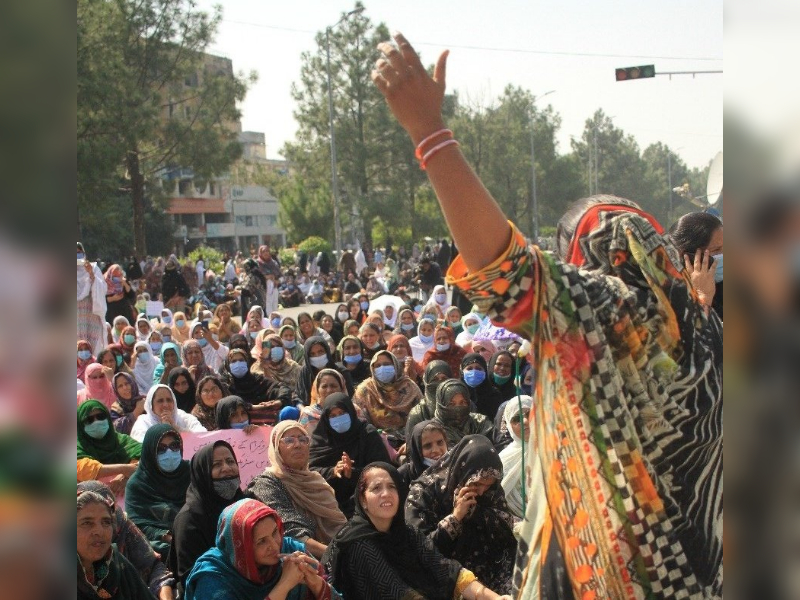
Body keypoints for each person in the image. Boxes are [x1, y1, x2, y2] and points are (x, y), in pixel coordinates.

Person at [372, 33, 723, 597]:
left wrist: (429, 133)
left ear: (589, 259)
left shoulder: (605, 315)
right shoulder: (707, 328)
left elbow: (502, 267)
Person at [323, 462, 509, 600]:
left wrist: (495, 598)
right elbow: (396, 592)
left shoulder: (407, 533)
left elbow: (445, 569)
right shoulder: (355, 543)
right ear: (363, 500)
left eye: (392, 487)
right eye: (376, 488)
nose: (386, 493)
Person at [405, 435, 516, 595]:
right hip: (448, 573)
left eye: (488, 485)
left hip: (493, 565)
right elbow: (419, 551)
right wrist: (455, 518)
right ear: (461, 471)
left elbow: (506, 529)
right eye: (476, 483)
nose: (481, 491)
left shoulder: (491, 489)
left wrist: (476, 513)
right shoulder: (424, 492)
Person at [184, 498, 339, 600]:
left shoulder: (291, 550)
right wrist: (284, 585)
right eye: (261, 541)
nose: (274, 545)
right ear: (240, 547)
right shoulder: (213, 577)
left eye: (274, 533)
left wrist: (315, 583)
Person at [247, 420, 348, 559]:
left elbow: (341, 528)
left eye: (303, 439)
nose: (297, 445)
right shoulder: (267, 483)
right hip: (300, 564)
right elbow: (293, 533)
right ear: (276, 447)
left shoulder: (316, 481)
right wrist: (338, 555)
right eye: (289, 440)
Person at [77, 481, 176, 600]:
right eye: (87, 523)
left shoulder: (117, 564)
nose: (99, 531)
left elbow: (152, 571)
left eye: (106, 522)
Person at [169, 440, 245, 588]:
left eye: (230, 461)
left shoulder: (245, 504)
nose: (226, 468)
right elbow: (192, 578)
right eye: (216, 465)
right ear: (202, 472)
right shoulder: (189, 519)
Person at [308, 393, 391, 518]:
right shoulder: (321, 440)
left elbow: (384, 469)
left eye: (342, 413)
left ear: (351, 412)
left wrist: (353, 473)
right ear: (326, 418)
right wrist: (332, 471)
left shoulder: (367, 434)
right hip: (330, 504)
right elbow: (309, 472)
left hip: (368, 499)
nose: (338, 418)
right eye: (333, 416)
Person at [125, 424, 191, 557]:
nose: (169, 453)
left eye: (174, 446)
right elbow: (137, 525)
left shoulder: (191, 472)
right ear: (150, 451)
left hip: (194, 535)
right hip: (162, 545)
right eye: (161, 449)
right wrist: (166, 536)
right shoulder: (137, 484)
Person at [351, 350, 422, 443]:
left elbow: (422, 415)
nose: (382, 368)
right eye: (378, 366)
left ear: (395, 365)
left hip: (411, 439)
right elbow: (359, 421)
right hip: (377, 441)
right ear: (372, 369)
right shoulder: (365, 391)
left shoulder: (409, 386)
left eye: (387, 364)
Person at [77, 400, 141, 494]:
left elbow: (144, 454)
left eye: (100, 416)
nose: (96, 422)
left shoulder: (122, 440)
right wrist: (124, 469)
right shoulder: (77, 447)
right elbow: (84, 469)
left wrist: (125, 477)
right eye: (89, 420)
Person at [668, 211, 724, 319]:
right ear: (689, 257)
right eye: (716, 250)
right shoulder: (672, 295)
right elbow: (697, 333)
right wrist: (704, 297)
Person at [220, 348, 293, 425]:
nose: (238, 364)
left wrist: (279, 402)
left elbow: (282, 388)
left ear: (247, 362)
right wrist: (256, 407)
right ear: (228, 365)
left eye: (241, 360)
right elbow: (230, 404)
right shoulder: (225, 385)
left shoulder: (258, 380)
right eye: (233, 361)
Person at [498, 396, 533, 519]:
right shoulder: (503, 460)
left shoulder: (554, 451)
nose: (525, 421)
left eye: (529, 414)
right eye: (516, 419)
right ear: (508, 425)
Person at [130, 384, 206, 442]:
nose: (165, 405)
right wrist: (163, 430)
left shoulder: (182, 416)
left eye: (169, 400)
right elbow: (141, 445)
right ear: (151, 405)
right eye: (160, 401)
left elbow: (203, 436)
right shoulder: (143, 422)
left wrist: (175, 427)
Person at [431, 379, 494, 447]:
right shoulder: (434, 431)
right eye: (451, 404)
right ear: (441, 405)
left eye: (463, 403)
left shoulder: (480, 422)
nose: (458, 408)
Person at [295, 337, 354, 406]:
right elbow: (298, 397)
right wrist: (303, 409)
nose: (317, 356)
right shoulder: (305, 372)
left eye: (321, 352)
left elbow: (350, 397)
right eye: (312, 354)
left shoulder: (341, 371)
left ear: (327, 351)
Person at [405, 360, 453, 437]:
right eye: (434, 379)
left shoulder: (463, 404)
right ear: (426, 381)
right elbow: (413, 444)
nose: (440, 383)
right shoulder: (418, 412)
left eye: (444, 378)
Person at [398, 420, 448, 489]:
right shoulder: (404, 475)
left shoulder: (457, 467)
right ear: (416, 449)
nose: (436, 450)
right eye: (427, 446)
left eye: (440, 442)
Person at [78, 243, 108, 356]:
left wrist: (90, 274)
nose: (77, 255)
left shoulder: (94, 268)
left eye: (79, 252)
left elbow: (102, 288)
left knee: (93, 344)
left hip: (91, 313)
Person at [299, 369, 347, 434]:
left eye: (333, 386)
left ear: (342, 389)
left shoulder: (353, 410)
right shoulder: (308, 415)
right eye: (324, 386)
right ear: (317, 391)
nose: (329, 390)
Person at [459, 353, 504, 421]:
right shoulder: (456, 393)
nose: (474, 372)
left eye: (478, 368)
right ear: (462, 372)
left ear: (485, 371)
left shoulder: (494, 395)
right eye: (469, 368)